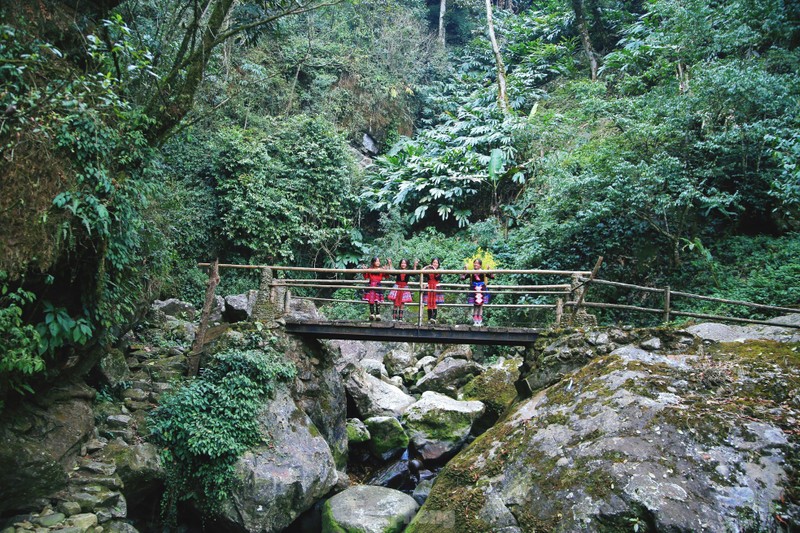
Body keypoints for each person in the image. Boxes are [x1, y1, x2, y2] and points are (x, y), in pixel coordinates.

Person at [462, 258, 494, 326]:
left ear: (480, 265)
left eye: (477, 263)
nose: (475, 264)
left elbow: (492, 277)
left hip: (482, 289)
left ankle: (480, 320)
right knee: (475, 305)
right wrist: (465, 269)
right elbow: (463, 278)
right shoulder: (471, 273)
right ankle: (475, 321)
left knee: (481, 305)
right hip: (474, 289)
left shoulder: (483, 272)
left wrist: (489, 269)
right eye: (475, 263)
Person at [422, 258, 444, 324]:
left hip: (436, 287)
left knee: (434, 303)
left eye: (436, 263)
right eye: (434, 262)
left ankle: (433, 318)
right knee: (428, 303)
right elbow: (421, 272)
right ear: (431, 263)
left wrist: (434, 269)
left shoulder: (439, 271)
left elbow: (438, 278)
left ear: (438, 264)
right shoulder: (428, 271)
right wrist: (427, 267)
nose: (435, 264)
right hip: (429, 286)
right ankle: (429, 319)